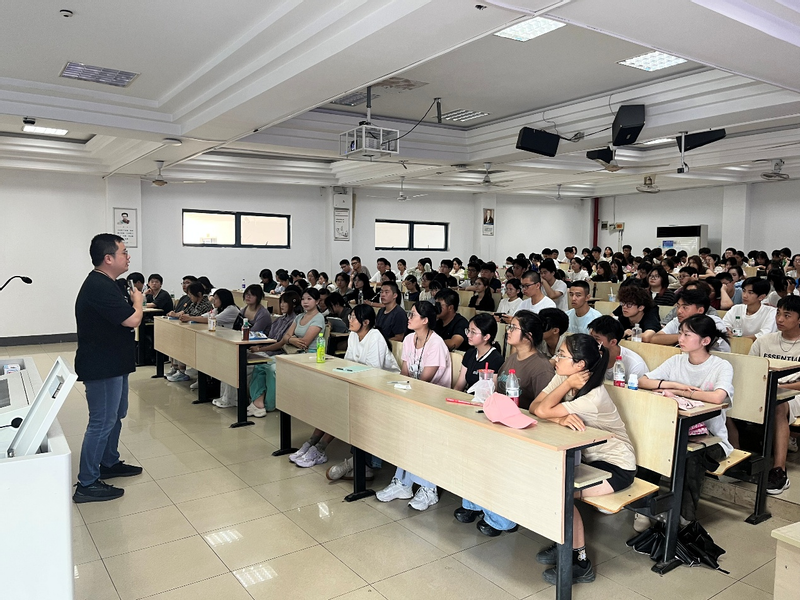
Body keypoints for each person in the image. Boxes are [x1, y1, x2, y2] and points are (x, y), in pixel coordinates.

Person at [532, 334, 636, 585]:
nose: (555, 359)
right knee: (546, 481)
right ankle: (564, 543)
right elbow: (535, 407)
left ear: (580, 365)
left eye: (562, 355)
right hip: (588, 458)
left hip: (616, 466)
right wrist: (560, 417)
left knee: (562, 494)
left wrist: (565, 390)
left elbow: (543, 410)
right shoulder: (564, 375)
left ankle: (580, 562)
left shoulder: (593, 396)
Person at [639, 315, 733, 522]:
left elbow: (718, 397)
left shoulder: (721, 366)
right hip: (673, 433)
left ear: (705, 341)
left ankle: (684, 519)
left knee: (690, 456)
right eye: (680, 333)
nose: (680, 338)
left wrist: (684, 393)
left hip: (712, 439)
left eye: (687, 335)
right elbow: (643, 381)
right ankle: (645, 509)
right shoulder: (676, 360)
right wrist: (676, 386)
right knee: (649, 447)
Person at [73, 234, 144, 503]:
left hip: (115, 362)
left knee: (116, 415)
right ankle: (87, 483)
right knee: (101, 422)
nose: (128, 256)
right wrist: (138, 301)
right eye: (124, 252)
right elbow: (132, 320)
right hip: (102, 365)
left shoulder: (109, 283)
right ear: (108, 258)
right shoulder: (98, 286)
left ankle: (109, 462)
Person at [375, 301, 451, 510]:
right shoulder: (410, 339)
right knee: (401, 430)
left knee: (417, 431)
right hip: (414, 397)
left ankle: (428, 489)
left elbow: (424, 382)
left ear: (425, 320)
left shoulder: (436, 344)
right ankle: (403, 483)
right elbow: (405, 373)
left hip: (435, 402)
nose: (409, 317)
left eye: (413, 314)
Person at [325, 304, 401, 481]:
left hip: (385, 387)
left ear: (366, 322)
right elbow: (347, 362)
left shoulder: (375, 337)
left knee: (366, 415)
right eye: (350, 316)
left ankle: (364, 464)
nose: (350, 320)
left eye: (354, 317)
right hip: (363, 384)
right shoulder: (353, 335)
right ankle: (358, 461)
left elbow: (374, 371)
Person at [749, 296, 800, 494]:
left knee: (778, 404)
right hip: (765, 389)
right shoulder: (764, 341)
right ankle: (739, 460)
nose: (779, 319)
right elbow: (751, 370)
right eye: (778, 313)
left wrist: (778, 388)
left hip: (794, 393)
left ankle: (779, 470)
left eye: (787, 315)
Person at [247, 292, 302, 417]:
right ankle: (258, 402)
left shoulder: (294, 321)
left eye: (285, 302)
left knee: (262, 365)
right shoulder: (279, 320)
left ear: (293, 304)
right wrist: (259, 346)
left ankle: (265, 403)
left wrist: (260, 349)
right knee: (254, 362)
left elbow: (280, 343)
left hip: (281, 353)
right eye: (281, 302)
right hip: (269, 350)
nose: (282, 305)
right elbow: (270, 338)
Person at [496, 310, 555, 410]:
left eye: (513, 328)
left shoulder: (542, 368)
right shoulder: (512, 358)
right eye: (509, 327)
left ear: (528, 336)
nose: (508, 331)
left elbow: (544, 407)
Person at [651, 289, 731, 352]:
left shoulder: (714, 322)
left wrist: (676, 338)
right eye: (678, 306)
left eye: (685, 307)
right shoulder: (678, 321)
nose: (679, 311)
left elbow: (701, 344)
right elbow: (654, 338)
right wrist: (682, 336)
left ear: (700, 310)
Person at [165, 282, 213, 382]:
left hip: (201, 334)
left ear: (198, 294)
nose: (189, 297)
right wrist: (175, 314)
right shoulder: (194, 303)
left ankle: (182, 372)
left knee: (181, 344)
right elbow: (186, 312)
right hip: (192, 330)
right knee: (175, 340)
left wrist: (187, 317)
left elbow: (195, 316)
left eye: (191, 294)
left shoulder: (206, 304)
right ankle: (176, 368)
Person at [453, 313, 504, 392]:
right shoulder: (470, 353)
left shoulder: (496, 360)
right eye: (468, 331)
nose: (468, 335)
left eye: (473, 332)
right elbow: (459, 386)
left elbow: (492, 393)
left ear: (486, 337)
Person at [588, 316, 647, 382]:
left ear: (613, 342)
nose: (591, 342)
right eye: (590, 337)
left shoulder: (636, 365)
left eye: (596, 339)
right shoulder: (590, 356)